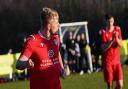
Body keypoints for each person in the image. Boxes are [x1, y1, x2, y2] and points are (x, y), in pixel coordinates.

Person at [16, 7, 65, 89]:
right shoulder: (32, 41)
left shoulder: (56, 39)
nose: (59, 25)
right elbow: (18, 64)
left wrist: (61, 68)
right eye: (56, 23)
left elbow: (57, 53)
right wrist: (26, 63)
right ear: (49, 26)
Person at [99, 14, 123, 89]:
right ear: (105, 22)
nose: (110, 23)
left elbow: (121, 44)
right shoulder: (103, 32)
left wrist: (116, 38)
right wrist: (112, 40)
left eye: (112, 21)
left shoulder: (117, 29)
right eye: (109, 22)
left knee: (120, 85)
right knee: (109, 86)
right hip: (108, 62)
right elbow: (103, 48)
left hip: (117, 61)